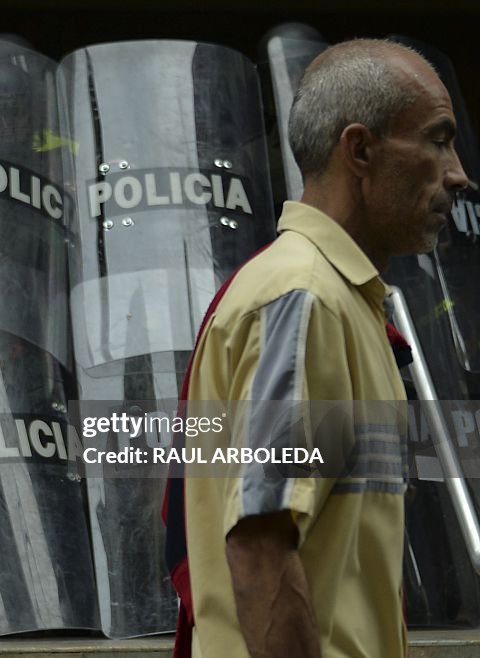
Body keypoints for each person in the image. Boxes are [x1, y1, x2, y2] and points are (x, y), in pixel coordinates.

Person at [166, 39, 469, 658]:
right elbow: (260, 543)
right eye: (438, 140)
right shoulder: (305, 299)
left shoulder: (336, 299)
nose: (458, 173)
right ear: (359, 150)